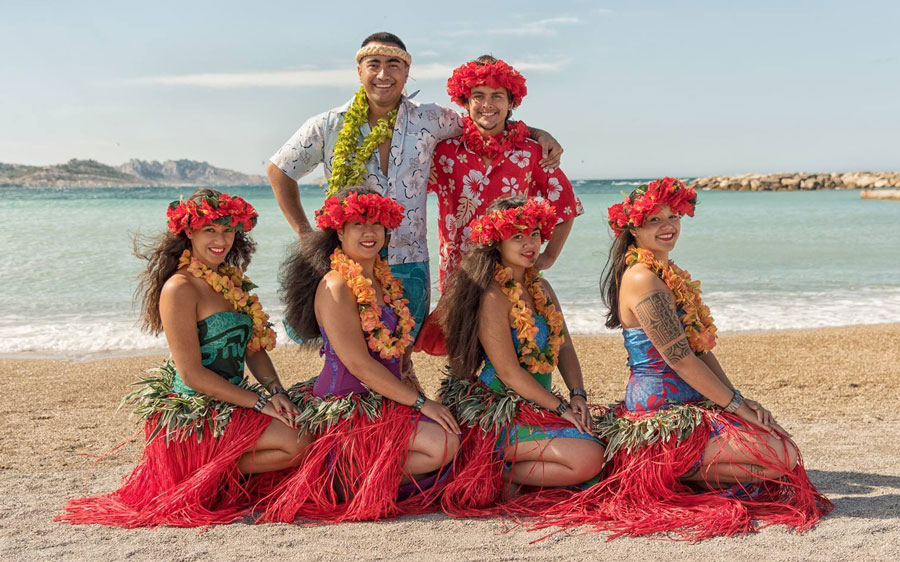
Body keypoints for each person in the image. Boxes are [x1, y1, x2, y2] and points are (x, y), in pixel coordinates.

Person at [267, 32, 564, 347]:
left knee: (402, 350)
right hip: (348, 258)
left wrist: (536, 133)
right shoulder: (327, 125)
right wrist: (305, 233)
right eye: (374, 64)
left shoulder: (430, 118)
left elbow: (485, 119)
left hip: (410, 259)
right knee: (345, 349)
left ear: (406, 72)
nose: (384, 74)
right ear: (359, 71)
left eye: (394, 64)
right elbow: (279, 171)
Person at [580, 177, 833, 539]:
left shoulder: (668, 274)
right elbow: (681, 359)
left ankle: (684, 467)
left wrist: (740, 401)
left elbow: (700, 349)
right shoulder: (641, 278)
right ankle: (667, 468)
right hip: (660, 413)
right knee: (782, 456)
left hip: (694, 403)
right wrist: (735, 407)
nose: (668, 226)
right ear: (633, 228)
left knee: (780, 447)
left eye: (674, 216)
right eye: (655, 220)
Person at [59, 189, 309, 527]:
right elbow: (192, 374)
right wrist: (259, 403)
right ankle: (196, 471)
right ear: (188, 232)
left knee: (304, 427)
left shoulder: (230, 283)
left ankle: (212, 469)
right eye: (210, 230)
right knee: (296, 443)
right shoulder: (180, 289)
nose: (221, 240)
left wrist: (277, 392)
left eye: (227, 230)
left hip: (233, 402)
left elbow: (254, 349)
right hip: (195, 410)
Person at [258, 187, 461, 523]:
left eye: (377, 225)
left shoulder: (384, 280)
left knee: (452, 438)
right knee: (444, 444)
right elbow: (358, 363)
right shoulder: (336, 284)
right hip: (347, 405)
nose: (370, 233)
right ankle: (342, 474)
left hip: (386, 398)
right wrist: (422, 403)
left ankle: (359, 474)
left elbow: (392, 350)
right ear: (339, 231)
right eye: (358, 225)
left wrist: (411, 387)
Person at [437, 196, 605, 517]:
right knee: (588, 458)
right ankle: (491, 472)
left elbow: (565, 345)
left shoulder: (542, 287)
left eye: (534, 234)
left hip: (538, 403)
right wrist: (561, 409)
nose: (530, 244)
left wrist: (578, 395)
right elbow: (510, 373)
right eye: (517, 236)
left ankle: (513, 471)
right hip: (499, 410)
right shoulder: (493, 296)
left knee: (602, 445)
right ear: (496, 242)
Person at [416, 55, 583, 355]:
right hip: (460, 272)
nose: (487, 104)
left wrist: (550, 256)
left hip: (512, 270)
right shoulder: (444, 152)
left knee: (512, 351)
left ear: (511, 103)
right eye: (478, 96)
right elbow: (408, 187)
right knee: (462, 353)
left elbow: (566, 206)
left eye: (497, 96)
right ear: (465, 101)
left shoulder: (532, 152)